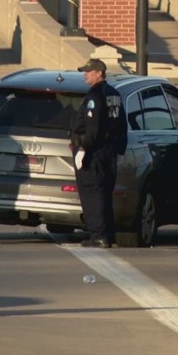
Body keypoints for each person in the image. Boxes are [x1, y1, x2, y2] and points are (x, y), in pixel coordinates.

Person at [71, 58, 127, 248]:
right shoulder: (115, 94)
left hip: (94, 153)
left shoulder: (95, 96)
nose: (85, 75)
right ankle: (107, 234)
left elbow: (93, 128)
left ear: (99, 73)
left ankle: (99, 235)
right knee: (104, 192)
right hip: (109, 151)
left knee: (92, 193)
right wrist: (120, 148)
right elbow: (122, 124)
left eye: (89, 72)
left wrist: (83, 148)